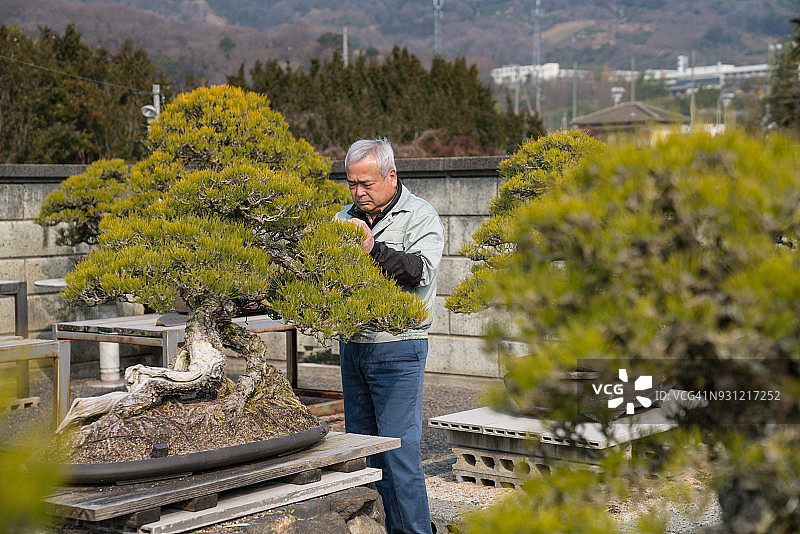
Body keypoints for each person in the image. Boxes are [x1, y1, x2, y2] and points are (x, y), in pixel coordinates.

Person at [335, 138, 444, 534]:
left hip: (398, 346)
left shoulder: (420, 215)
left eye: (366, 183)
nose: (358, 192)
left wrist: (374, 249)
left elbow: (419, 271)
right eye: (352, 183)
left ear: (391, 176)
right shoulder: (341, 220)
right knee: (366, 450)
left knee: (400, 452)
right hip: (354, 345)